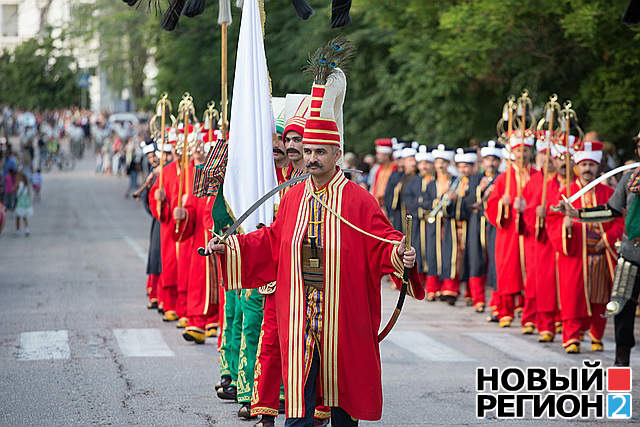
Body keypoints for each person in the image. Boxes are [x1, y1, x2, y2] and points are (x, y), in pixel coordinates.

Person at [206, 116, 424, 425]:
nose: (311, 158)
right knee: (299, 407)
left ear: (337, 153)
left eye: (320, 152)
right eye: (308, 151)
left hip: (343, 315)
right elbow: (272, 241)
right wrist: (230, 248)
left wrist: (400, 252)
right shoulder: (294, 197)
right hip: (300, 316)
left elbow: (383, 244)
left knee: (344, 404)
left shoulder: (359, 201)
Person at [557, 134, 640, 364]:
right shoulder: (629, 178)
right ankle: (620, 365)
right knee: (621, 312)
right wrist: (578, 214)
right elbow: (612, 210)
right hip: (630, 255)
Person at [547, 141, 624, 353]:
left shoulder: (609, 193)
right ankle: (571, 336)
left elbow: (620, 219)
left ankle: (596, 334)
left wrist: (607, 238)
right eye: (583, 164)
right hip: (574, 253)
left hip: (601, 252)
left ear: (598, 166)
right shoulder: (566, 193)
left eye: (591, 164)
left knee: (599, 297)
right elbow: (551, 219)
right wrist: (564, 226)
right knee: (572, 296)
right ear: (576, 167)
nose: (587, 169)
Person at [486, 130, 539, 327]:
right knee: (508, 270)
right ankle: (505, 309)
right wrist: (502, 204)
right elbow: (490, 207)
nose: (523, 155)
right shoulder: (503, 178)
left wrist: (529, 208)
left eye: (526, 151)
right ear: (513, 152)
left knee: (531, 271)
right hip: (508, 233)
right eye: (519, 151)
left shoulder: (537, 176)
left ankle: (529, 314)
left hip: (530, 232)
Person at [423, 144, 459, 303]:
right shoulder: (430, 183)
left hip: (449, 223)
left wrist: (452, 201)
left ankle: (449, 288)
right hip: (433, 225)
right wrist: (433, 203)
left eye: (444, 161)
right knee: (432, 254)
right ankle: (432, 288)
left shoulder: (455, 182)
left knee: (449, 254)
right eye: (438, 161)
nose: (441, 165)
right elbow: (423, 202)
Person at [403, 145, 434, 293]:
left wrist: (424, 204)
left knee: (432, 250)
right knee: (418, 251)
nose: (424, 166)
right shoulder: (413, 181)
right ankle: (418, 282)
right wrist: (422, 206)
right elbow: (409, 200)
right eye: (422, 163)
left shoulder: (434, 181)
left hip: (432, 224)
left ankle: (433, 284)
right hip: (416, 223)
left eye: (427, 163)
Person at [370, 138, 396, 207]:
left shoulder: (394, 169)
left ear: (386, 155)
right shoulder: (379, 170)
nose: (377, 156)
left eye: (379, 154)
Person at [13, 171, 32, 236]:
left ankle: (18, 231)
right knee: (24, 217)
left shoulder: (18, 183)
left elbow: (12, 190)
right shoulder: (26, 184)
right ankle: (27, 230)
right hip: (25, 202)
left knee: (18, 217)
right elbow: (28, 193)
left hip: (19, 202)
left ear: (20, 177)